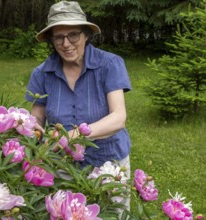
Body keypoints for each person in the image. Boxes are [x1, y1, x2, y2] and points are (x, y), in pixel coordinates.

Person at [25, 0, 131, 192]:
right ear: (51, 40)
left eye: (73, 35)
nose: (66, 44)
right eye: (58, 37)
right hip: (61, 165)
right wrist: (31, 129)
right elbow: (37, 116)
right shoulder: (42, 73)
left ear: (86, 34)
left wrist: (72, 135)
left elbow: (118, 118)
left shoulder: (109, 64)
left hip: (108, 165)